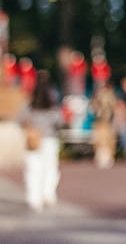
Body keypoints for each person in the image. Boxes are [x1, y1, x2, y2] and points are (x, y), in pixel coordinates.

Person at [21, 69, 61, 211]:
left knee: (33, 169)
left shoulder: (29, 102)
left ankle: (34, 198)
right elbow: (59, 121)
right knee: (50, 168)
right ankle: (48, 194)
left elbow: (20, 118)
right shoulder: (53, 101)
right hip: (49, 139)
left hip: (33, 139)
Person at [89, 81, 119, 168]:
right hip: (100, 121)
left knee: (107, 140)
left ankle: (107, 158)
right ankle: (101, 158)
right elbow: (93, 108)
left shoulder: (110, 97)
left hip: (107, 121)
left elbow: (113, 108)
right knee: (100, 140)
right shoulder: (97, 98)